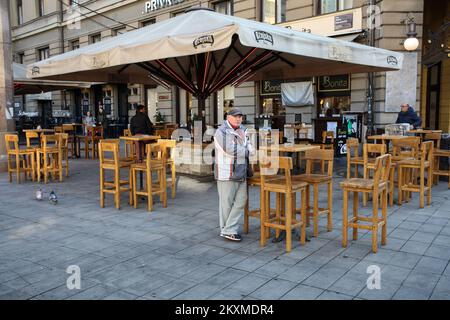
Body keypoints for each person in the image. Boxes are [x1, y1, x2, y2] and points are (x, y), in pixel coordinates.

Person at [214, 107, 254, 242]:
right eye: (235, 116)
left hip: (241, 171)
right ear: (228, 117)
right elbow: (231, 150)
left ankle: (227, 229)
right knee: (226, 203)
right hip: (227, 172)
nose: (238, 119)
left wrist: (247, 149)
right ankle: (228, 230)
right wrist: (246, 150)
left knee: (241, 200)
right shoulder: (221, 132)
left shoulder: (243, 130)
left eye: (240, 117)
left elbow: (251, 146)